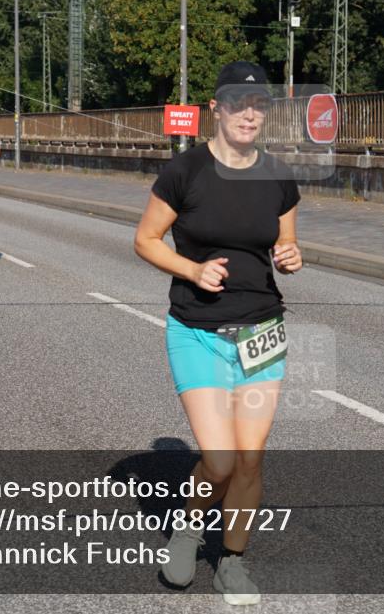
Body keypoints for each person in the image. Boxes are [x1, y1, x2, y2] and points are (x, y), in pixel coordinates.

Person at [134, 61, 302, 606]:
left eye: (258, 106)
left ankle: (232, 561)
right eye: (237, 103)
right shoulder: (186, 171)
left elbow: (285, 246)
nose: (249, 114)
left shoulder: (278, 176)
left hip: (262, 332)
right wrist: (192, 270)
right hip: (197, 329)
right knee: (222, 459)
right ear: (217, 109)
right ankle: (189, 526)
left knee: (250, 459)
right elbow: (147, 240)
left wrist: (292, 256)